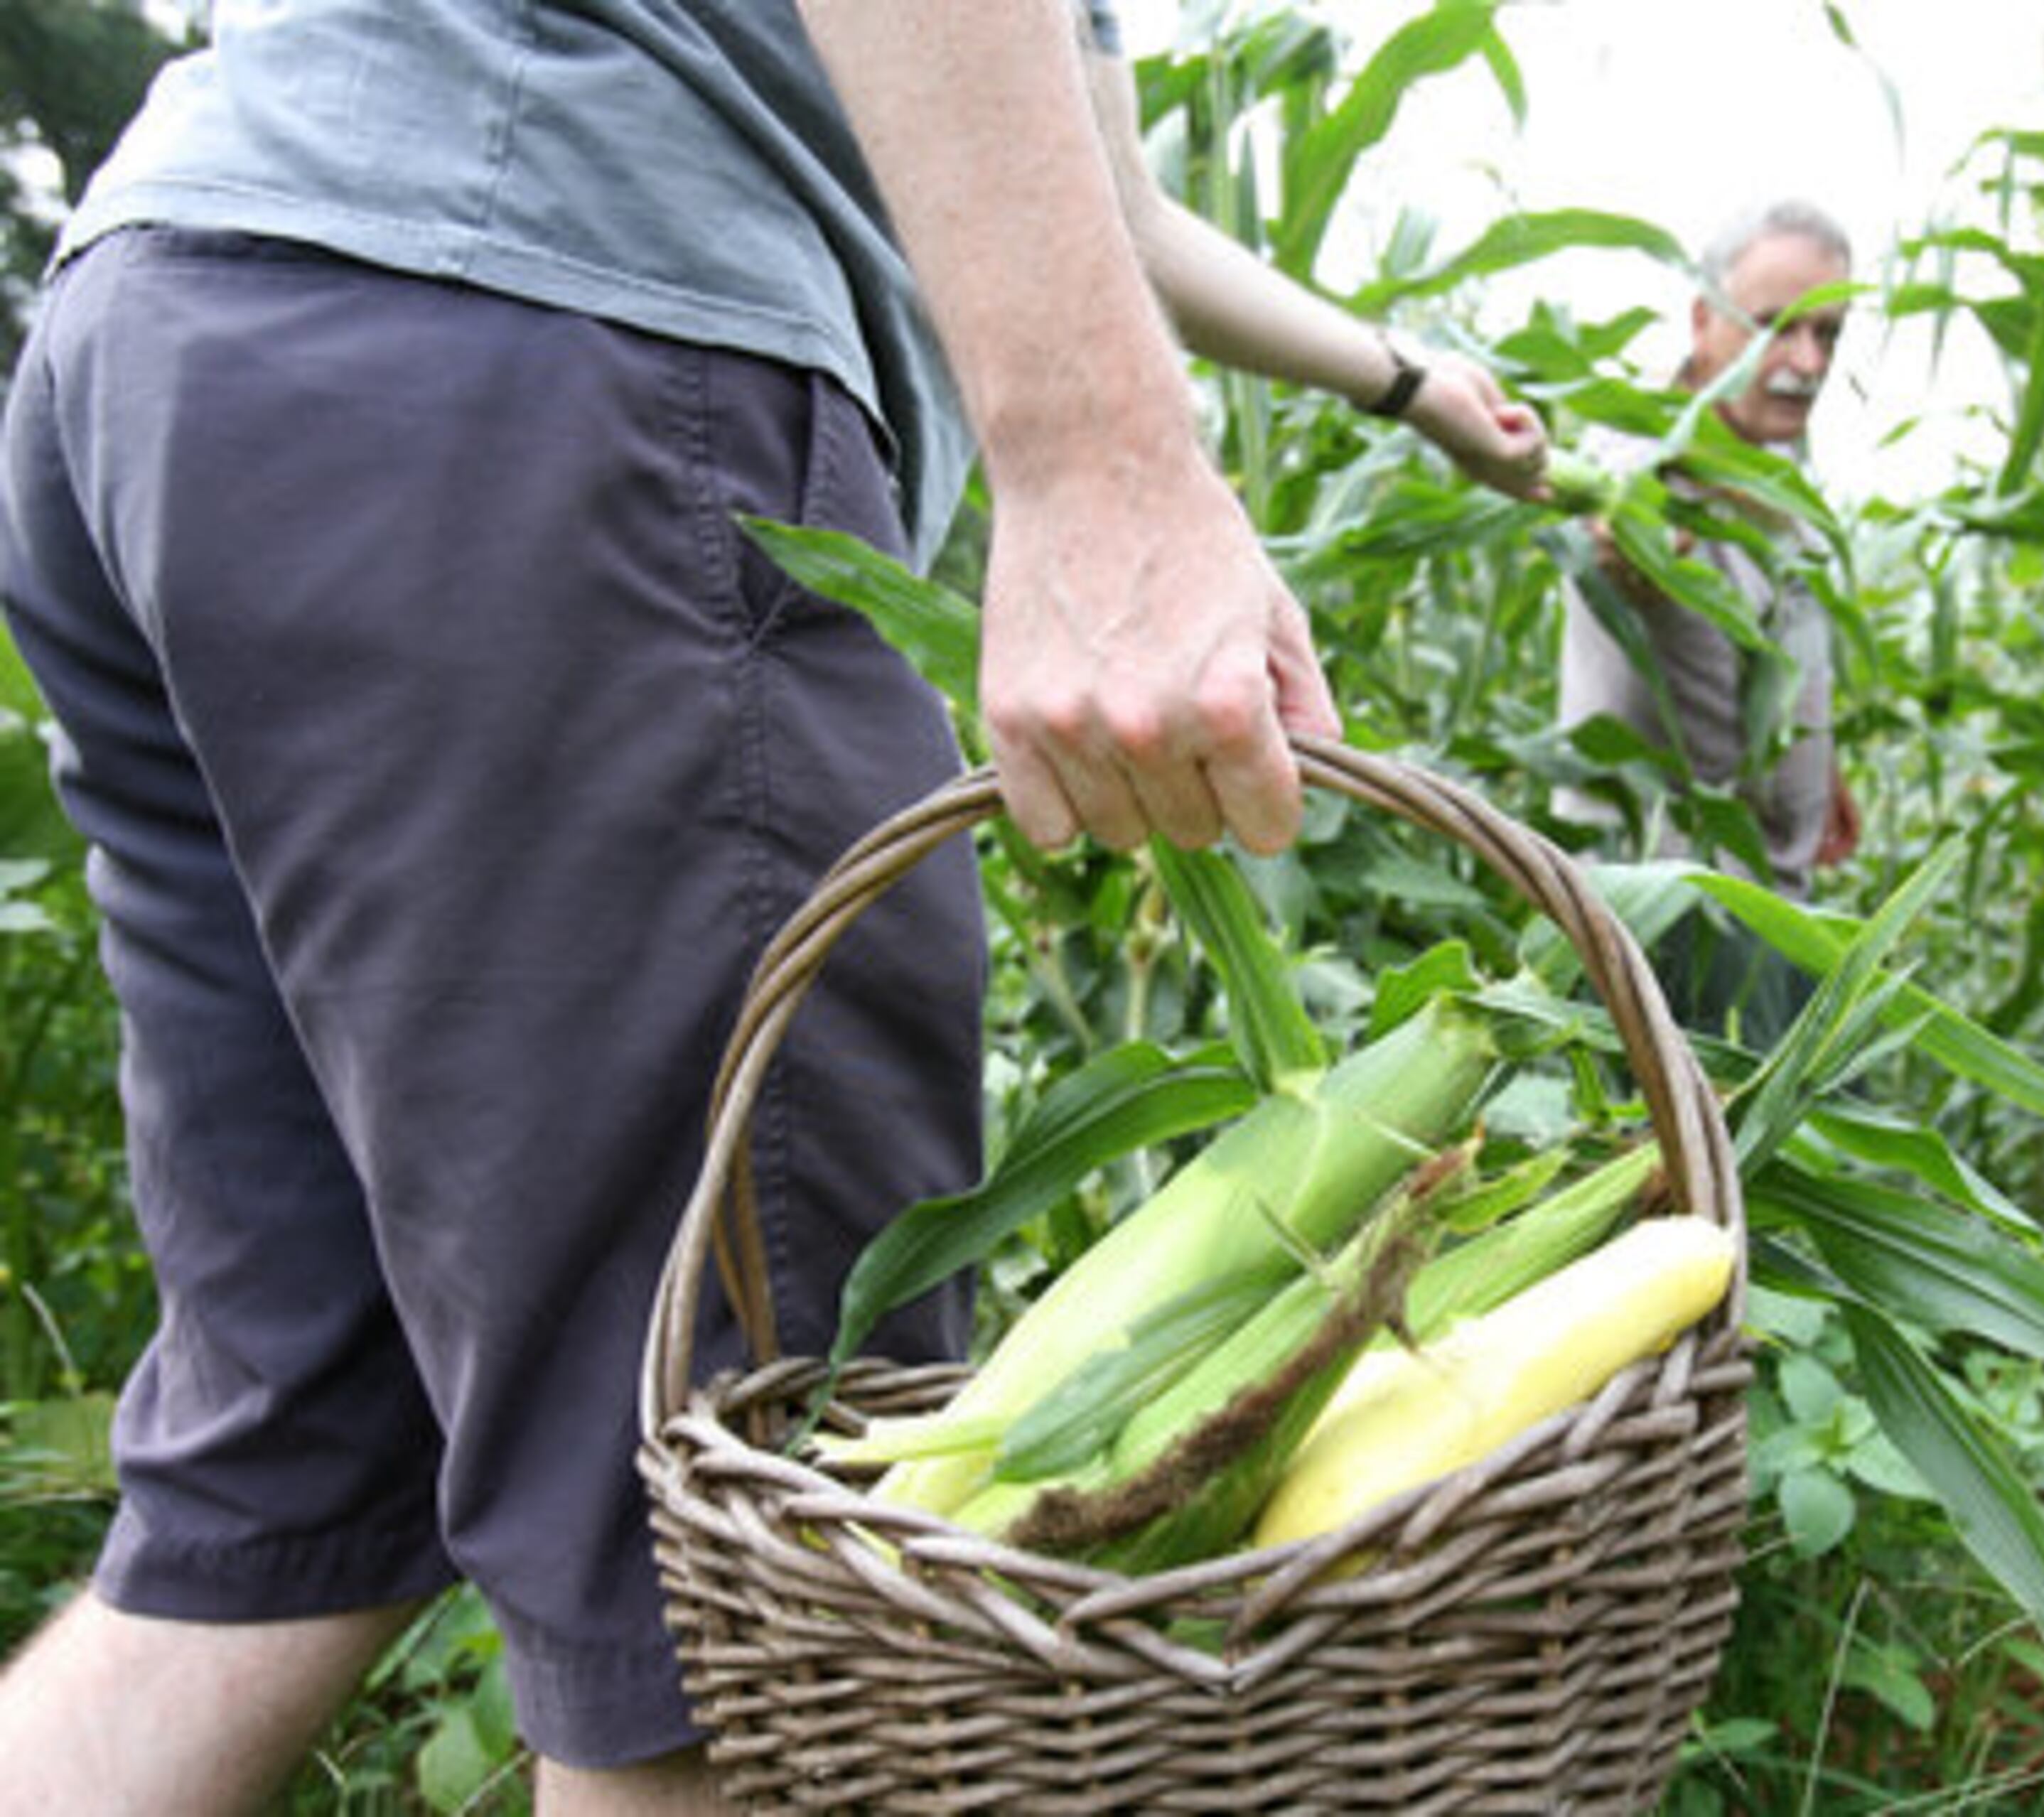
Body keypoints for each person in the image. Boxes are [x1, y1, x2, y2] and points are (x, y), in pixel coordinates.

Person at [0, 1, 1545, 1810]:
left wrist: (1401, 377)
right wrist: (1100, 462)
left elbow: (1107, 197)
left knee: (277, 1510)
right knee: (746, 1613)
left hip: (214, 333)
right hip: (560, 348)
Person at [1551, 198, 1861, 1039]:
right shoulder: (1642, 460)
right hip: (1670, 928)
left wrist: (1815, 769)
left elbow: (1759, 644)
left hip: (1771, 916)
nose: (1807, 360)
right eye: (1777, 327)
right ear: (1702, 322)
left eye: (1828, 334)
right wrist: (1630, 534)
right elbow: (1621, 522)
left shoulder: (1772, 480)